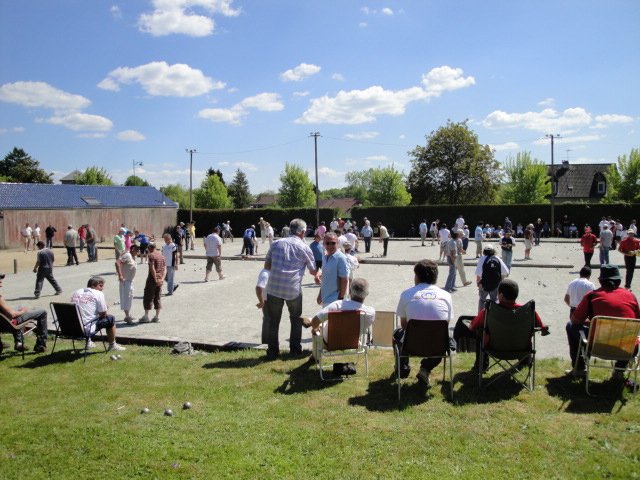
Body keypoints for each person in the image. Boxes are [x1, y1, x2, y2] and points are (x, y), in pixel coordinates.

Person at [568, 265, 640, 378]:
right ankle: (619, 370)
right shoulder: (631, 296)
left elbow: (575, 320)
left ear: (600, 281)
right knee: (631, 337)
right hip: (627, 348)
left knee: (570, 326)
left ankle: (580, 368)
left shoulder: (592, 296)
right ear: (619, 281)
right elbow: (636, 321)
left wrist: (592, 322)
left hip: (598, 346)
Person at [263, 218, 318, 359]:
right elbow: (313, 270)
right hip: (292, 289)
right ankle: (294, 349)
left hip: (274, 288)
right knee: (295, 319)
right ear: (303, 232)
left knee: (273, 321)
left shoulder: (275, 244)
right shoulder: (304, 247)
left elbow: (267, 266)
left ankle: (272, 351)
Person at [393, 259, 454, 385]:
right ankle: (426, 368)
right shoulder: (446, 295)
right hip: (437, 346)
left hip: (412, 344)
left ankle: (402, 366)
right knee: (447, 339)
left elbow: (404, 325)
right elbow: (445, 324)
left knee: (397, 333)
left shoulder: (406, 294)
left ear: (417, 277)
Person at [469, 279, 547, 371]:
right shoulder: (528, 312)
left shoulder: (488, 311)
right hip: (522, 350)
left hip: (494, 349)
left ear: (501, 295)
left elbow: (472, 327)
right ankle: (525, 361)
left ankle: (481, 365)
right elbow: (542, 328)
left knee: (480, 332)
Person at [304, 278, 375, 363]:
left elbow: (316, 321)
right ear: (367, 293)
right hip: (353, 342)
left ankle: (315, 358)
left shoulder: (337, 305)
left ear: (349, 291)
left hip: (330, 342)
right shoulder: (370, 312)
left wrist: (316, 328)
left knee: (315, 328)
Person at [71, 276, 126, 351]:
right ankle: (112, 345)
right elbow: (103, 314)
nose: (102, 288)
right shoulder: (98, 293)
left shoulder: (77, 292)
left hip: (71, 328)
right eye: (100, 286)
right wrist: (103, 309)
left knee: (86, 316)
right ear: (93, 285)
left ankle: (88, 342)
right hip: (86, 329)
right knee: (110, 318)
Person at [0, 274, 49, 353]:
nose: (1, 284)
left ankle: (18, 342)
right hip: (11, 323)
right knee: (42, 312)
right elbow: (13, 315)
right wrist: (24, 311)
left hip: (3, 323)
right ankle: (41, 345)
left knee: (18, 308)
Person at [318, 232, 349, 306]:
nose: (330, 245)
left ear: (337, 243)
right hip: (326, 298)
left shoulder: (341, 258)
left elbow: (344, 279)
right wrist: (320, 294)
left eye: (333, 243)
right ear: (324, 244)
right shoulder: (324, 257)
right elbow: (325, 278)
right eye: (328, 243)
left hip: (335, 299)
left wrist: (341, 299)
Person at [475, 245, 509, 312]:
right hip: (495, 284)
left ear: (484, 251)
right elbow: (506, 272)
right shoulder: (497, 258)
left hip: (484, 284)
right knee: (494, 300)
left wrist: (478, 283)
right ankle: (494, 316)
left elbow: (478, 274)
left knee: (482, 300)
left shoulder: (482, 258)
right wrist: (500, 280)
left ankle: (480, 316)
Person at [139, 243, 165, 324]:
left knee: (148, 296)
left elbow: (152, 268)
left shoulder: (151, 255)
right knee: (157, 297)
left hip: (152, 279)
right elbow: (165, 268)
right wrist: (162, 279)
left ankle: (146, 316)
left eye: (148, 247)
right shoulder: (161, 255)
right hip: (160, 278)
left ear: (150, 247)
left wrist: (155, 279)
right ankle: (157, 317)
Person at [115, 245, 139, 324]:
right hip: (125, 280)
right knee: (126, 298)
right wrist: (120, 275)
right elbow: (117, 263)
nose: (137, 252)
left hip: (130, 280)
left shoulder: (132, 257)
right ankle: (127, 316)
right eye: (136, 250)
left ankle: (128, 314)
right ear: (132, 249)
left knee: (130, 297)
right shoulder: (127, 255)